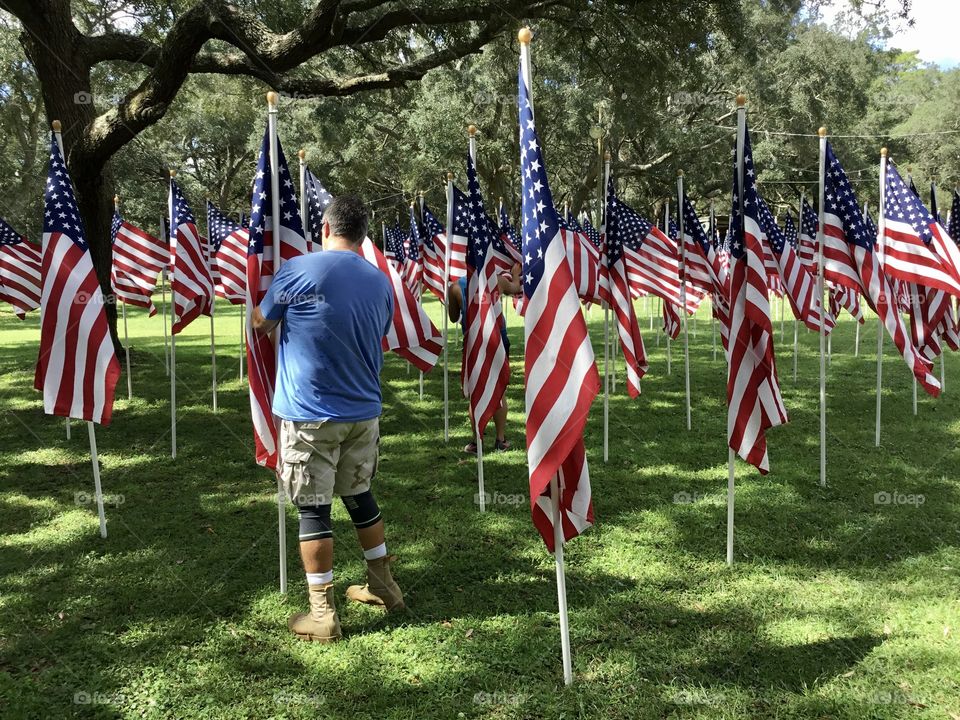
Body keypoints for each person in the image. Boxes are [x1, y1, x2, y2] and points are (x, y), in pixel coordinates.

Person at [252, 195, 404, 644]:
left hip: (310, 414)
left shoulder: (298, 270)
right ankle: (383, 586)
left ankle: (323, 614)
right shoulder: (379, 281)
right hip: (363, 411)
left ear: (324, 227)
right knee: (359, 494)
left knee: (314, 508)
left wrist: (256, 303)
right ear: (362, 234)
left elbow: (262, 323)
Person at [446, 262, 520, 454]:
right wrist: (515, 273)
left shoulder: (455, 287)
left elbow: (453, 318)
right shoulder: (497, 281)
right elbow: (516, 288)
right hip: (498, 338)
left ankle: (476, 440)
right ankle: (500, 439)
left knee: (477, 389)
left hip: (473, 340)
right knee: (499, 389)